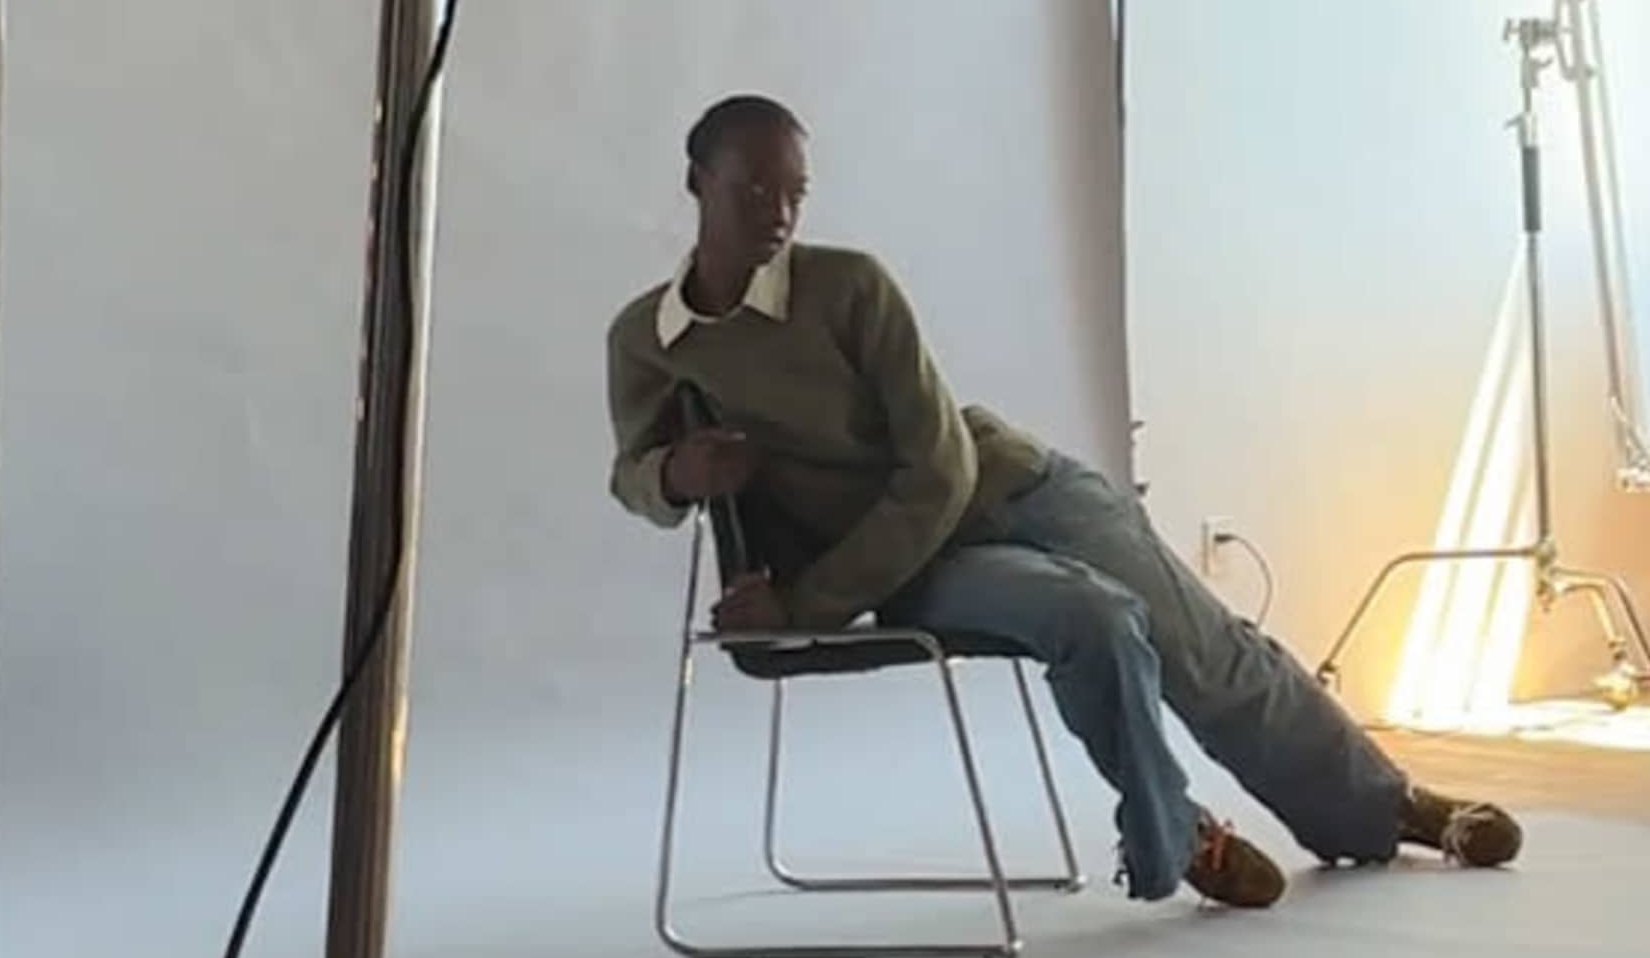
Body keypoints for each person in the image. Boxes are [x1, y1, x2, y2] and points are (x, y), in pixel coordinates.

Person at [608, 93, 1521, 911]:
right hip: (917, 563)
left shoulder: (848, 285)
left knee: (1201, 643)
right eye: (753, 190)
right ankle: (1176, 830)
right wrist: (678, 475)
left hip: (1009, 483)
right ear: (698, 181)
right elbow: (634, 476)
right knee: (1099, 619)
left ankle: (1385, 807)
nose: (779, 214)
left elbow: (938, 465)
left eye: (796, 191)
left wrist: (807, 604)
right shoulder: (649, 339)